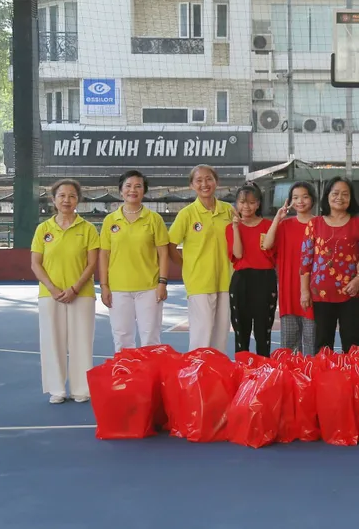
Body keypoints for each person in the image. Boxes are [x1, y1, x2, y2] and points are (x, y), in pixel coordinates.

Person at [30, 179, 99, 403]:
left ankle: (81, 389)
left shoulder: (88, 229)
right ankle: (57, 389)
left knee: (81, 341)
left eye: (71, 196)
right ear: (54, 200)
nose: (66, 200)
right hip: (50, 296)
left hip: (82, 294)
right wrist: (53, 288)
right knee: (52, 341)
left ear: (78, 200)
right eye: (61, 196)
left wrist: (75, 288)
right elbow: (36, 264)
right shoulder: (43, 229)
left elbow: (92, 264)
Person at [300, 177, 359, 353]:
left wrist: (357, 281)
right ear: (327, 196)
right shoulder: (315, 224)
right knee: (323, 344)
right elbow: (305, 261)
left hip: (352, 293)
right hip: (322, 294)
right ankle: (325, 380)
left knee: (352, 343)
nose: (339, 197)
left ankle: (352, 379)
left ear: (351, 198)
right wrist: (304, 292)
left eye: (345, 194)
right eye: (335, 193)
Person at [98, 170, 169, 353]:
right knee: (122, 338)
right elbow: (104, 255)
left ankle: (151, 380)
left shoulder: (154, 219)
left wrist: (162, 282)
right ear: (120, 190)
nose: (133, 190)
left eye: (138, 186)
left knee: (151, 338)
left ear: (144, 190)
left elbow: (163, 254)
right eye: (128, 186)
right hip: (118, 289)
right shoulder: (110, 221)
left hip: (149, 288)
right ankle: (125, 380)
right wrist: (104, 286)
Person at [168, 164, 234, 353]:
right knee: (201, 336)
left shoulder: (228, 211)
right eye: (199, 180)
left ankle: (215, 377)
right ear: (192, 185)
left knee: (220, 337)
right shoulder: (187, 214)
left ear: (216, 182)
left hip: (225, 281)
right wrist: (186, 266)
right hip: (199, 283)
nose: (204, 184)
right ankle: (196, 378)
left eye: (208, 179)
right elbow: (170, 245)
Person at [226, 182, 280, 357]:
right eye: (242, 202)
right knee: (241, 330)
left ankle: (263, 373)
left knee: (263, 331)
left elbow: (271, 250)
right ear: (236, 204)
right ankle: (243, 371)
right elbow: (238, 254)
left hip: (265, 280)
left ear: (258, 204)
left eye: (250, 202)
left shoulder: (268, 225)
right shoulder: (231, 228)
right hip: (242, 280)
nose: (246, 206)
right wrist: (235, 227)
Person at [263, 181, 317, 355]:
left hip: (312, 290)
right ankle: (290, 378)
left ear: (313, 199)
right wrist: (278, 218)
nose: (300, 201)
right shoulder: (284, 226)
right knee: (289, 344)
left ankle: (311, 378)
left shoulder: (320, 224)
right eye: (295, 197)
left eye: (305, 197)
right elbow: (267, 244)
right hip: (288, 291)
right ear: (290, 201)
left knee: (311, 342)